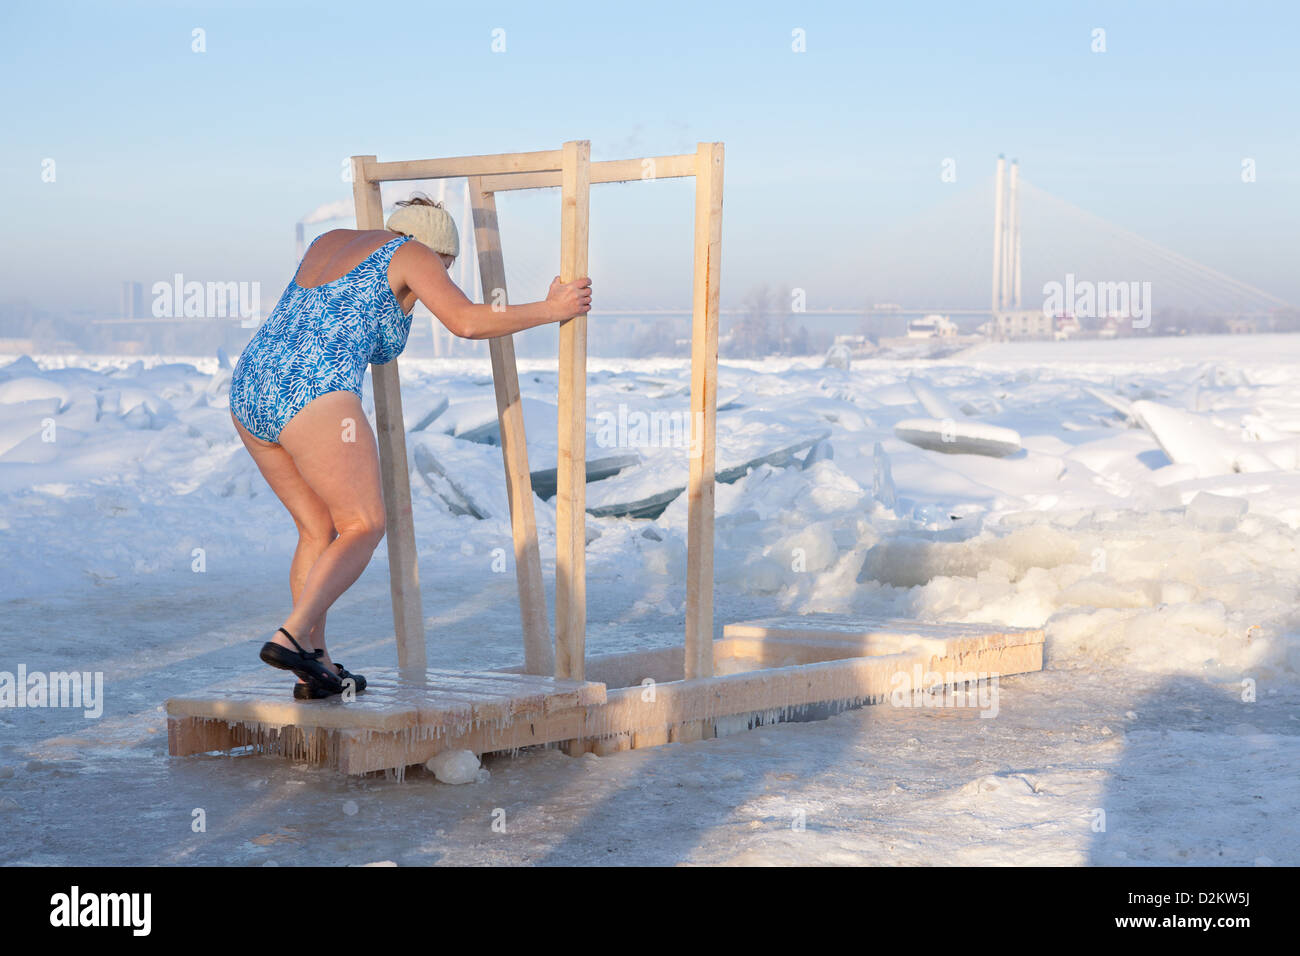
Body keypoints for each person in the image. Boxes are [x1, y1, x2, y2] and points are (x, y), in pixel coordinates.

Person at [228, 196, 592, 698]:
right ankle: (290, 637)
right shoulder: (414, 254)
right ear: (440, 252)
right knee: (364, 524)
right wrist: (553, 309)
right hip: (311, 391)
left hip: (250, 385)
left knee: (317, 529)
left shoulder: (329, 242)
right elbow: (465, 321)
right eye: (447, 268)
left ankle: (316, 664)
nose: (436, 281)